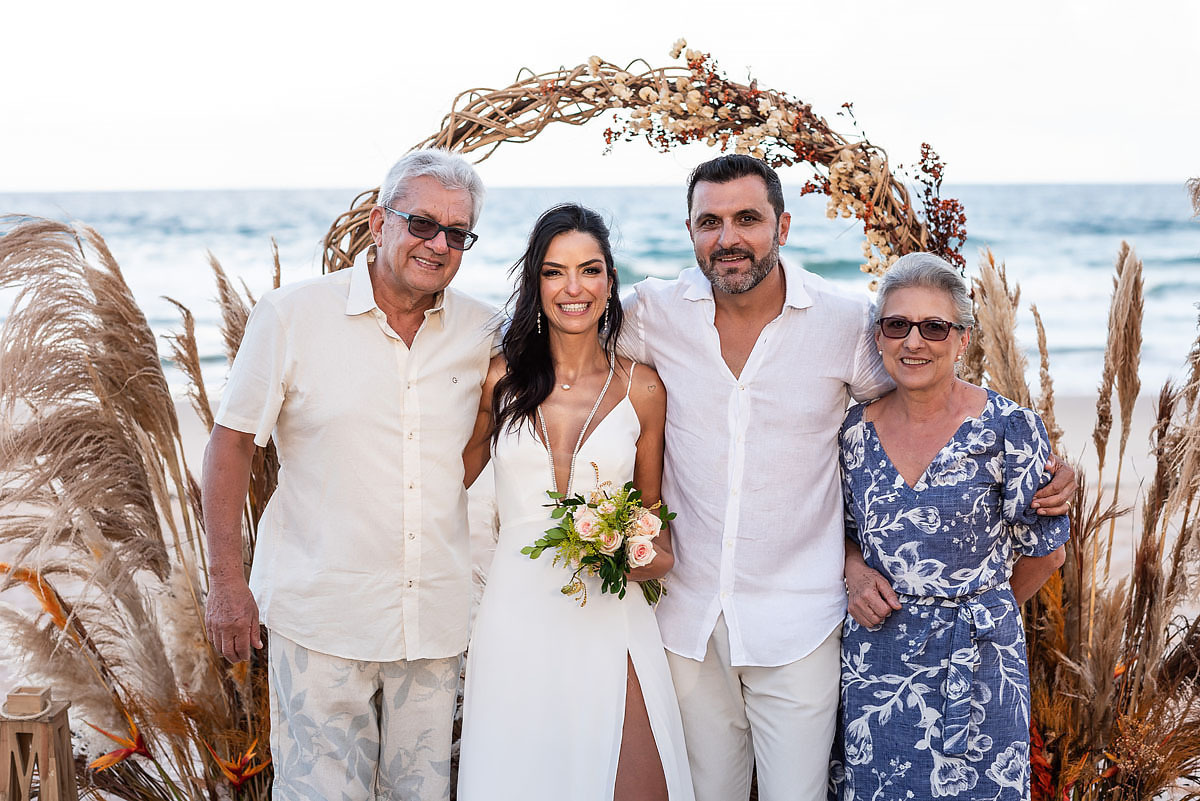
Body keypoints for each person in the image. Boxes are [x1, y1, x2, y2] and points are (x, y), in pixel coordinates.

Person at [619, 154, 1076, 801]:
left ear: (782, 225)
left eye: (747, 218)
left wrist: (987, 605)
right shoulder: (655, 313)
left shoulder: (843, 325)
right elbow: (562, 329)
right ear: (689, 230)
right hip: (726, 624)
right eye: (709, 221)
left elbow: (940, 401)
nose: (728, 237)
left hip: (848, 635)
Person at [201, 149, 496, 800]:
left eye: (456, 232)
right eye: (421, 223)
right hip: (321, 615)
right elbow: (230, 444)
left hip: (434, 621)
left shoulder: (485, 330)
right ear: (375, 221)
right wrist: (226, 581)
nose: (438, 243)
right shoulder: (292, 314)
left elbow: (474, 450)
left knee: (418, 793)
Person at [457, 204, 695, 801]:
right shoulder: (498, 380)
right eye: (554, 271)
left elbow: (656, 526)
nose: (573, 288)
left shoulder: (642, 386)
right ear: (535, 282)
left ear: (610, 282)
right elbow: (441, 481)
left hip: (609, 611)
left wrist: (637, 554)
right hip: (516, 613)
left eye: (589, 270)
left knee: (641, 784)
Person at [833, 253, 1069, 800]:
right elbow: (839, 528)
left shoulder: (1011, 428)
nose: (914, 342)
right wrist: (853, 570)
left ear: (962, 339)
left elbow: (1047, 553)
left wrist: (979, 614)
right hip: (878, 666)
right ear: (879, 336)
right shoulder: (852, 432)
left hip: (981, 665)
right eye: (898, 325)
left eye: (934, 327)